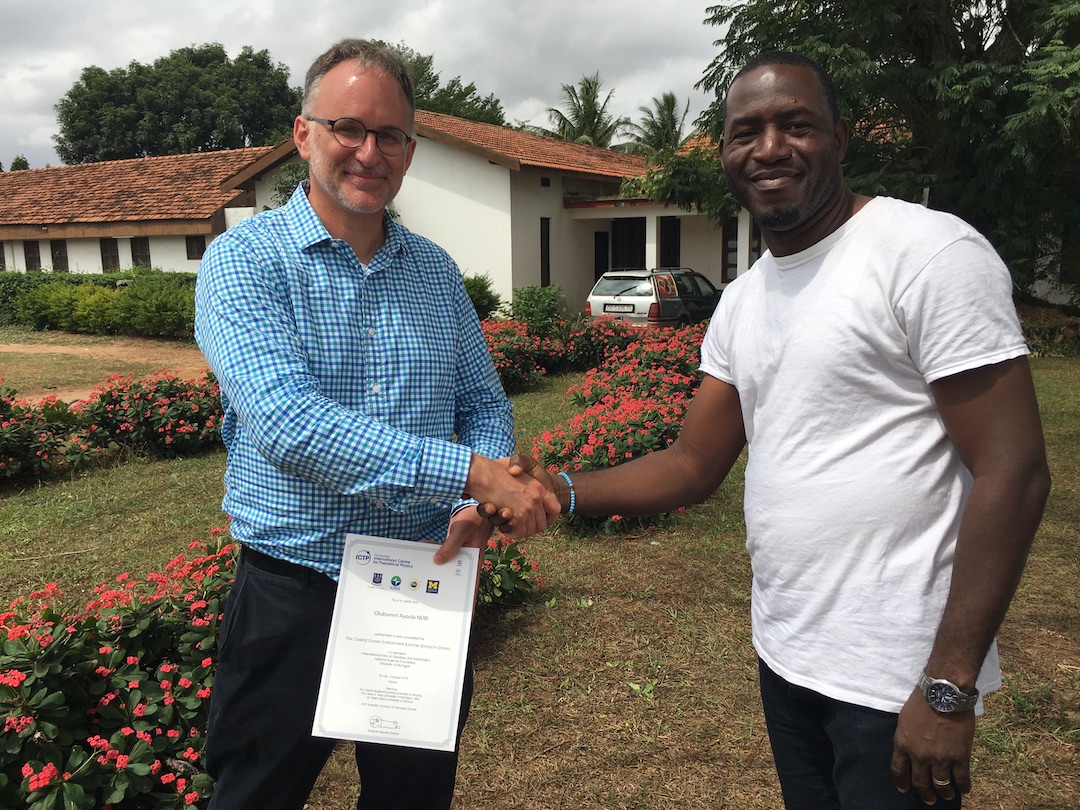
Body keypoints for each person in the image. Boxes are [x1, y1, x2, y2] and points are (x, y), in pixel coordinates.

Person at [489, 51, 1050, 809]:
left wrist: (948, 685)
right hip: (788, 657)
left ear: (840, 137)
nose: (770, 148)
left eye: (796, 125)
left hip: (897, 677)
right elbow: (693, 462)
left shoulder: (926, 254)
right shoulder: (745, 299)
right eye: (745, 132)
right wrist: (559, 489)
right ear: (724, 152)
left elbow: (1014, 471)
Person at [194, 38, 557, 810]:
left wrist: (480, 500)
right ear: (303, 135)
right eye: (347, 128)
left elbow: (483, 402)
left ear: (410, 151)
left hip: (419, 581)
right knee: (255, 794)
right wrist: (472, 472)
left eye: (389, 135)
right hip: (294, 590)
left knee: (411, 796)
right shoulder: (245, 261)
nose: (369, 152)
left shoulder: (435, 272)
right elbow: (286, 422)